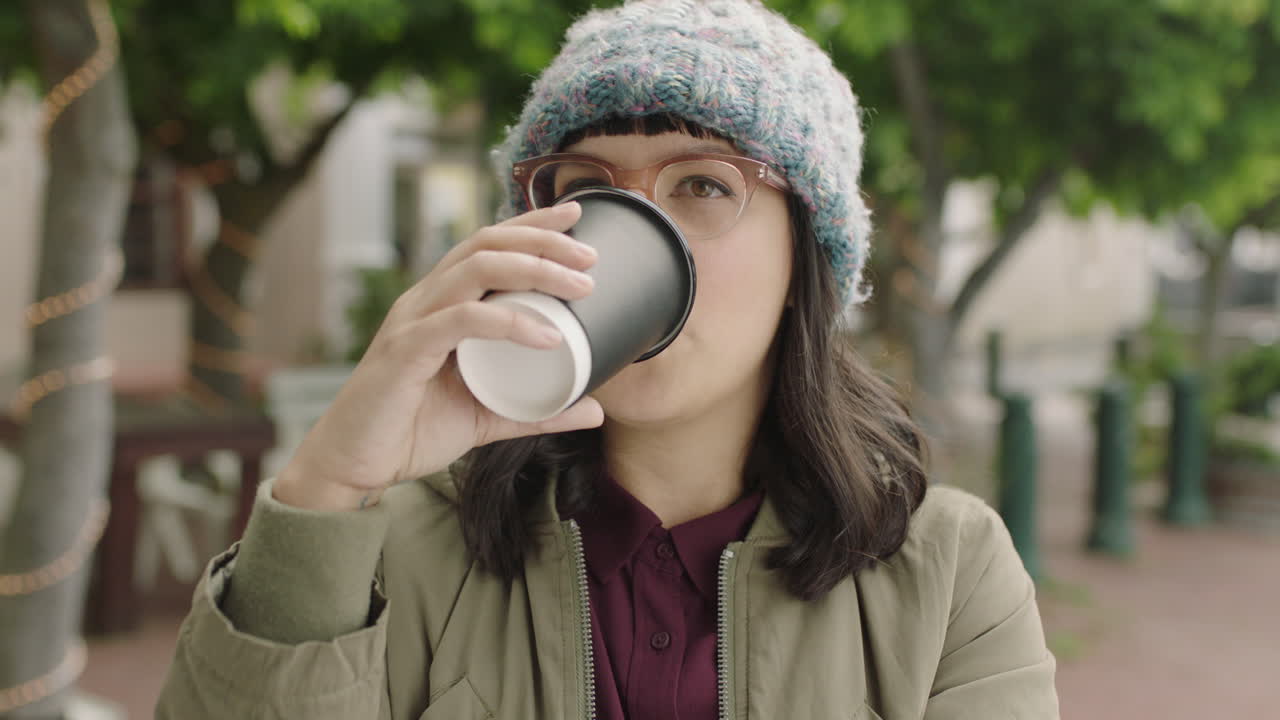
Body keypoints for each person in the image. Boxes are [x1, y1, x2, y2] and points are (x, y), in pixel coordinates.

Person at [156, 1, 1059, 718]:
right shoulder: (397, 552)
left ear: (805, 260)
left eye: (703, 184)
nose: (614, 243)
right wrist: (329, 483)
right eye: (586, 189)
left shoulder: (947, 571)